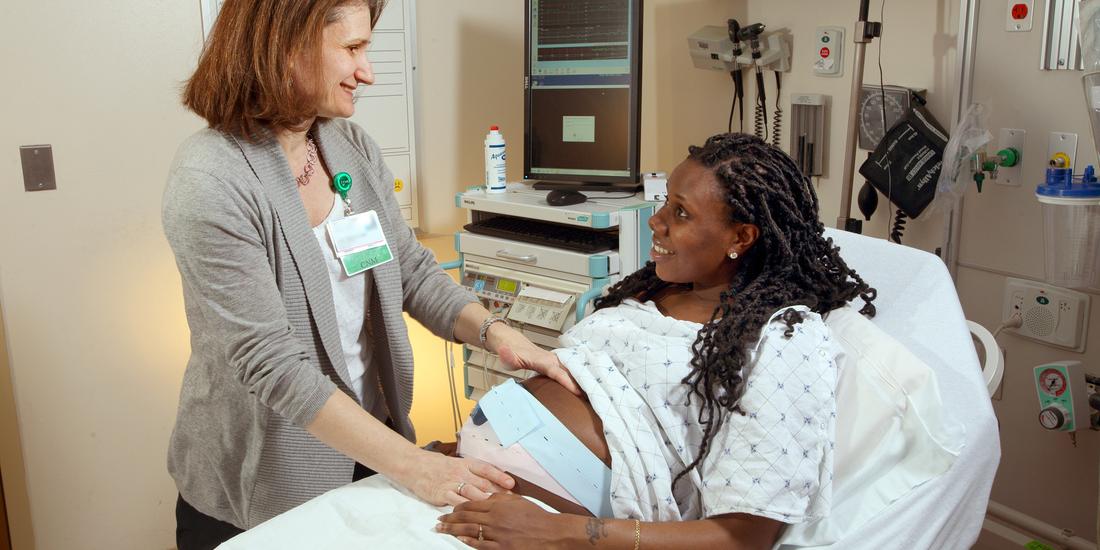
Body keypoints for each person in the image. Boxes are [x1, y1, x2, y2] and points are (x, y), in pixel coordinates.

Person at [162, 1, 577, 548]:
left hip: (370, 448)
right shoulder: (211, 179)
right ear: (285, 48)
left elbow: (406, 269)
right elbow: (272, 364)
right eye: (353, 49)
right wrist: (416, 467)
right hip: (266, 478)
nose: (368, 71)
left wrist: (496, 334)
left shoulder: (344, 148)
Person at [437, 133, 878, 548]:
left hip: (554, 523)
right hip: (480, 481)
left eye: (681, 213)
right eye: (666, 201)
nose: (657, 220)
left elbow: (744, 537)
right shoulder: (654, 288)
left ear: (740, 237)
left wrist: (560, 533)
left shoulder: (783, 335)